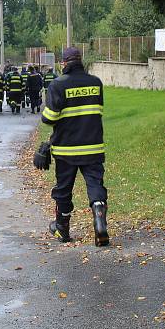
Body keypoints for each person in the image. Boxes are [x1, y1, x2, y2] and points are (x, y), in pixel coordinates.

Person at [41, 47, 109, 247]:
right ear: (81, 61)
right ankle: (99, 218)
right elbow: (97, 111)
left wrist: (46, 113)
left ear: (63, 63)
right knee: (95, 184)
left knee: (64, 189)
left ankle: (62, 229)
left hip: (66, 150)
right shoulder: (96, 83)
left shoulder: (57, 85)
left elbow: (50, 118)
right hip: (93, 147)